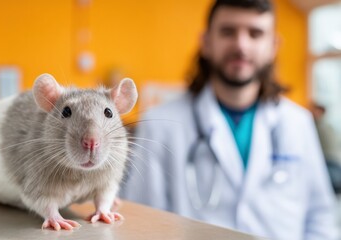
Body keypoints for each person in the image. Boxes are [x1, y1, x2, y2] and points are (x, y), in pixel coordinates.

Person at [121, 0, 339, 239]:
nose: (241, 45)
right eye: (228, 31)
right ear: (206, 42)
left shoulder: (298, 123)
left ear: (274, 46)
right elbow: (141, 225)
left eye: (255, 33)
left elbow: (320, 218)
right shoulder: (160, 124)